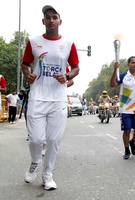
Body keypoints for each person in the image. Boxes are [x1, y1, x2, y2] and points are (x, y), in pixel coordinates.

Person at [21, 5, 80, 190]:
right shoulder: (33, 42)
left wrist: (67, 76)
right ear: (43, 21)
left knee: (53, 140)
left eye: (55, 17)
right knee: (36, 140)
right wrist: (27, 73)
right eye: (48, 17)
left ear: (60, 21)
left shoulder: (69, 44)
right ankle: (36, 161)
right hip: (37, 97)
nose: (51, 20)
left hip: (58, 99)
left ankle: (48, 176)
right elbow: (25, 64)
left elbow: (76, 68)